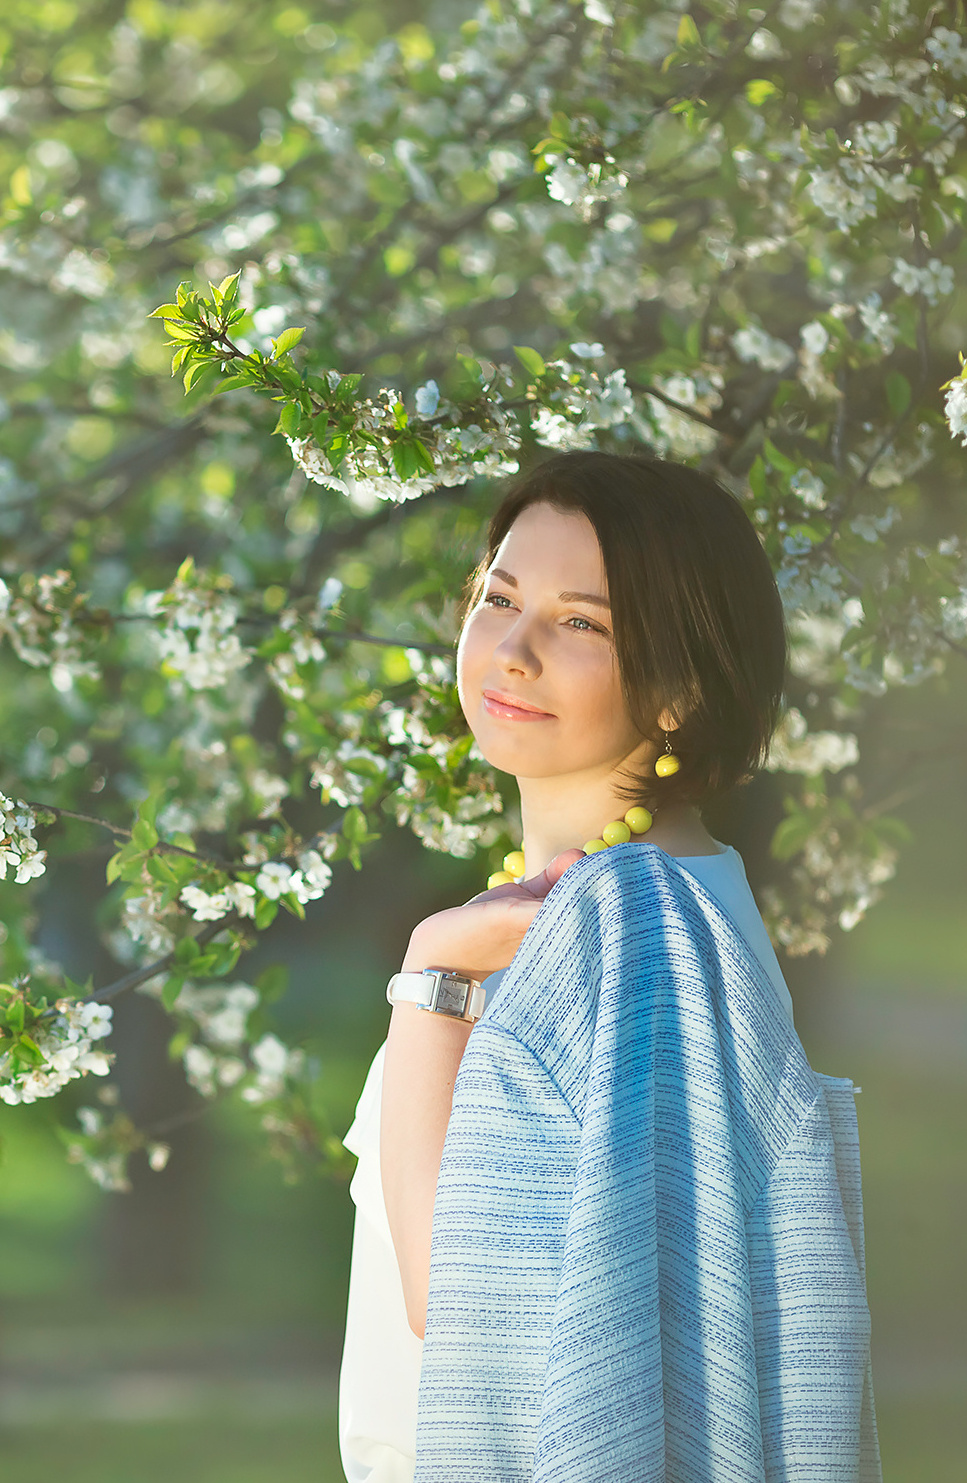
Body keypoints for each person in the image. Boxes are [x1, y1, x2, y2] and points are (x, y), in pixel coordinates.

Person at [339, 451, 879, 1482]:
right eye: (498, 597)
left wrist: (430, 974)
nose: (512, 648)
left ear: (678, 688)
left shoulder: (636, 924)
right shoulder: (623, 895)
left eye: (579, 621)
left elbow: (459, 1297)